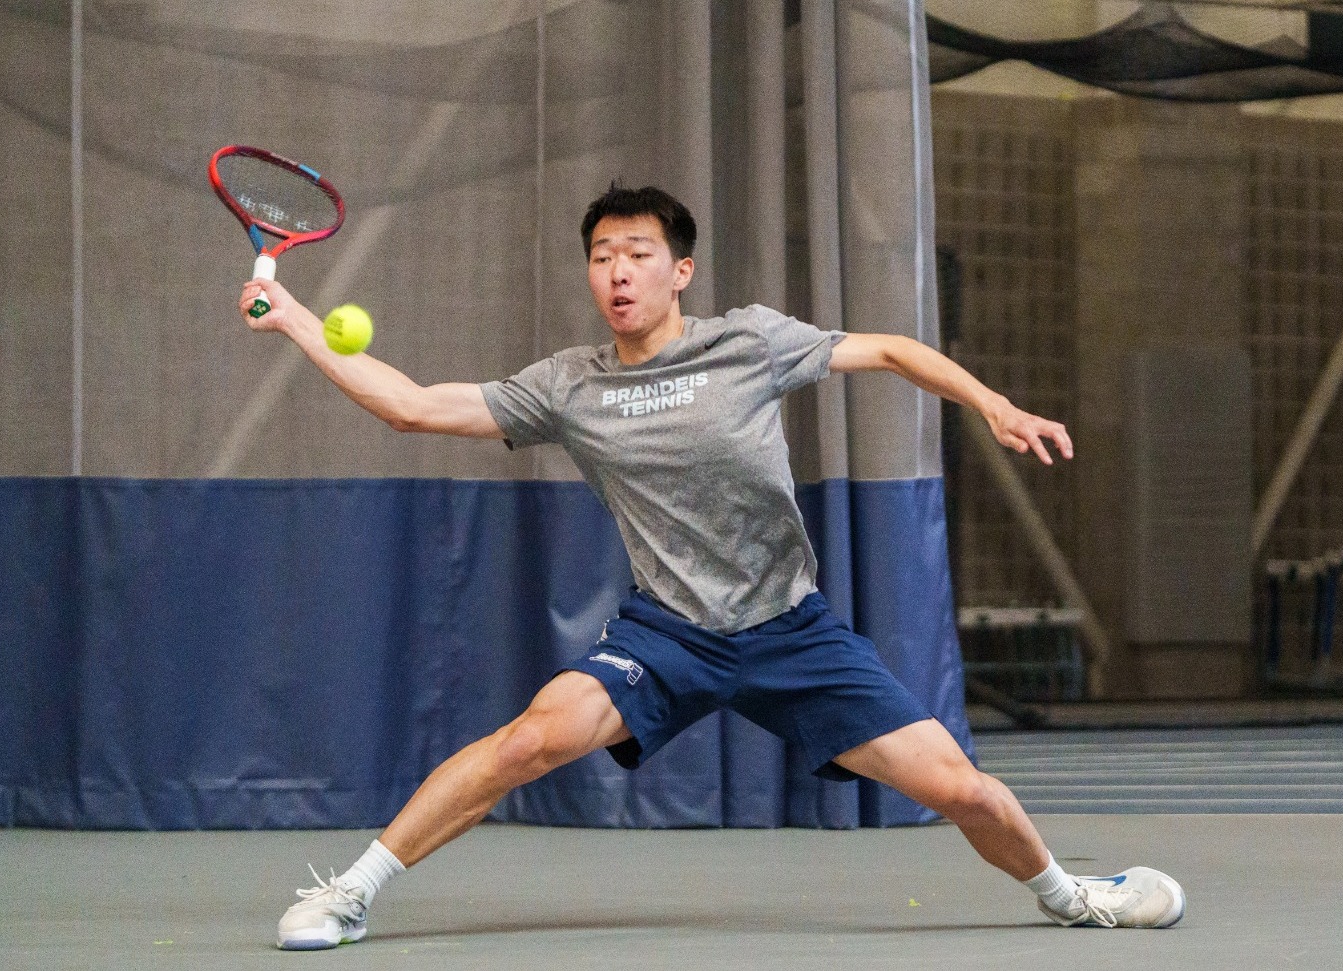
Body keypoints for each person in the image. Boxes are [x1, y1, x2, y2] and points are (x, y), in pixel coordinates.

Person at [242, 185, 1184, 950]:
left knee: (961, 788)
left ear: (679, 271)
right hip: (667, 635)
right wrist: (291, 318)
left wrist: (993, 403)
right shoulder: (569, 384)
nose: (616, 271)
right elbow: (410, 405)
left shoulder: (748, 342)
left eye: (638, 253)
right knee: (530, 739)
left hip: (790, 629)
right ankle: (350, 893)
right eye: (602, 255)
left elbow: (892, 348)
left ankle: (1071, 896)